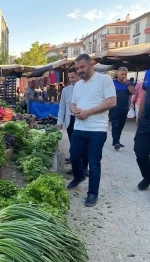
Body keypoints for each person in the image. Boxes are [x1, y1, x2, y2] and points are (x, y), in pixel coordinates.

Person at [68, 53, 116, 207]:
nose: (80, 70)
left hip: (97, 129)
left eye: (82, 67)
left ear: (91, 64)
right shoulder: (78, 85)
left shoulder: (104, 79)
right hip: (79, 127)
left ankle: (92, 193)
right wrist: (74, 110)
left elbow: (111, 102)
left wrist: (88, 112)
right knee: (74, 156)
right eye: (77, 68)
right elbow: (73, 103)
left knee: (94, 162)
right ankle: (79, 176)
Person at [57, 68, 88, 176]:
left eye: (73, 77)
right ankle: (76, 168)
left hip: (83, 119)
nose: (71, 79)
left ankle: (84, 168)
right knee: (74, 146)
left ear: (78, 76)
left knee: (84, 146)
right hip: (70, 121)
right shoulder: (66, 90)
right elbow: (62, 107)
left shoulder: (86, 88)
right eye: (69, 77)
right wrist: (59, 121)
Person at [109, 67, 135, 150]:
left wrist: (127, 84)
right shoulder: (112, 83)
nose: (124, 76)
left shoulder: (128, 83)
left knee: (121, 125)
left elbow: (134, 92)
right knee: (115, 125)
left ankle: (117, 141)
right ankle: (116, 141)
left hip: (124, 108)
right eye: (122, 74)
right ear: (118, 74)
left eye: (125, 74)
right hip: (115, 108)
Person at [134, 69, 150, 190]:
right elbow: (144, 95)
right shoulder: (148, 72)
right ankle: (147, 176)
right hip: (146, 120)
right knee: (140, 151)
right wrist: (139, 115)